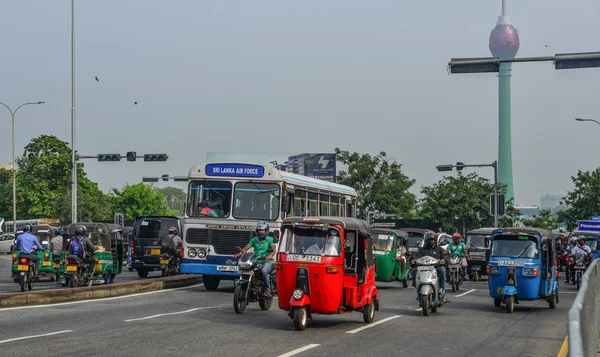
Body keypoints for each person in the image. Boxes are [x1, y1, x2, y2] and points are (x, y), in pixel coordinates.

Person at [233, 221, 276, 297]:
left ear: (266, 231)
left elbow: (273, 250)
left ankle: (267, 290)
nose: (261, 232)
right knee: (248, 269)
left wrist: (269, 256)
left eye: (262, 230)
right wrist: (239, 254)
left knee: (264, 271)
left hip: (267, 261)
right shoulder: (254, 239)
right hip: (257, 260)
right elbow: (246, 248)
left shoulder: (270, 239)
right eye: (259, 230)